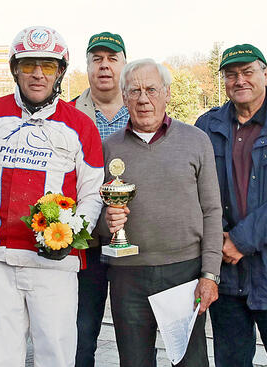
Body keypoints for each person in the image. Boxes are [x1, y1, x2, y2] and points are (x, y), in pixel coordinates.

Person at [0, 26, 104, 367]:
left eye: (48, 66)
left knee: (55, 357)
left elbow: (92, 194)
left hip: (54, 265)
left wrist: (71, 233)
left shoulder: (81, 126)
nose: (38, 74)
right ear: (15, 68)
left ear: (60, 71)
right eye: (29, 65)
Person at [102, 58, 223, 367]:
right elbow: (97, 215)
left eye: (152, 90)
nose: (144, 99)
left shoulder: (196, 140)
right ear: (124, 97)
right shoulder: (107, 148)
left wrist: (209, 274)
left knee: (190, 361)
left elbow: (211, 210)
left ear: (167, 93)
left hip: (184, 273)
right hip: (128, 275)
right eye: (135, 91)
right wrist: (107, 223)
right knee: (134, 361)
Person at [195, 44, 267, 367]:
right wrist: (218, 247)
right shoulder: (207, 126)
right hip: (226, 276)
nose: (239, 80)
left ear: (264, 74)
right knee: (230, 361)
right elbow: (197, 191)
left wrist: (241, 241)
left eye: (247, 72)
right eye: (231, 75)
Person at [69, 31, 128, 367]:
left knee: (136, 334)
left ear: (123, 63)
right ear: (88, 65)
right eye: (97, 59)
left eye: (112, 59)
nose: (104, 66)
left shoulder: (142, 112)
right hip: (84, 246)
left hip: (132, 247)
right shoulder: (68, 114)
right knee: (81, 333)